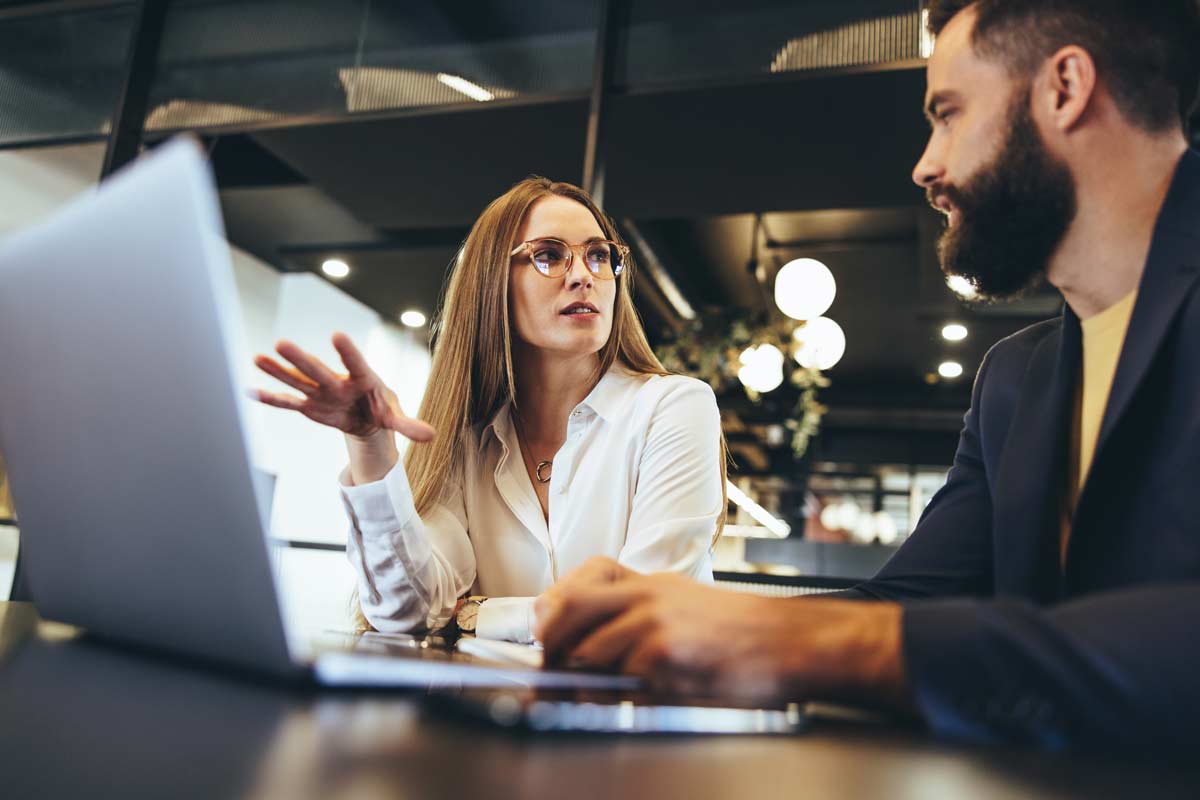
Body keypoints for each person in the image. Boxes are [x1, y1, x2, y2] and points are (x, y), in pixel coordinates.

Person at [534, 0, 1200, 751]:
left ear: (1065, 88)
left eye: (947, 114)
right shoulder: (1015, 379)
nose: (926, 166)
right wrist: (673, 615)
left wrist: (813, 645)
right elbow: (908, 603)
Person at [251, 177, 726, 643]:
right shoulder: (466, 440)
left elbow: (644, 612)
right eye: (549, 255)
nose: (584, 275)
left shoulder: (675, 406)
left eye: (598, 255)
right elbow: (408, 612)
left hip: (644, 719)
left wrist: (480, 615)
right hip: (495, 718)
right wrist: (370, 446)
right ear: (491, 283)